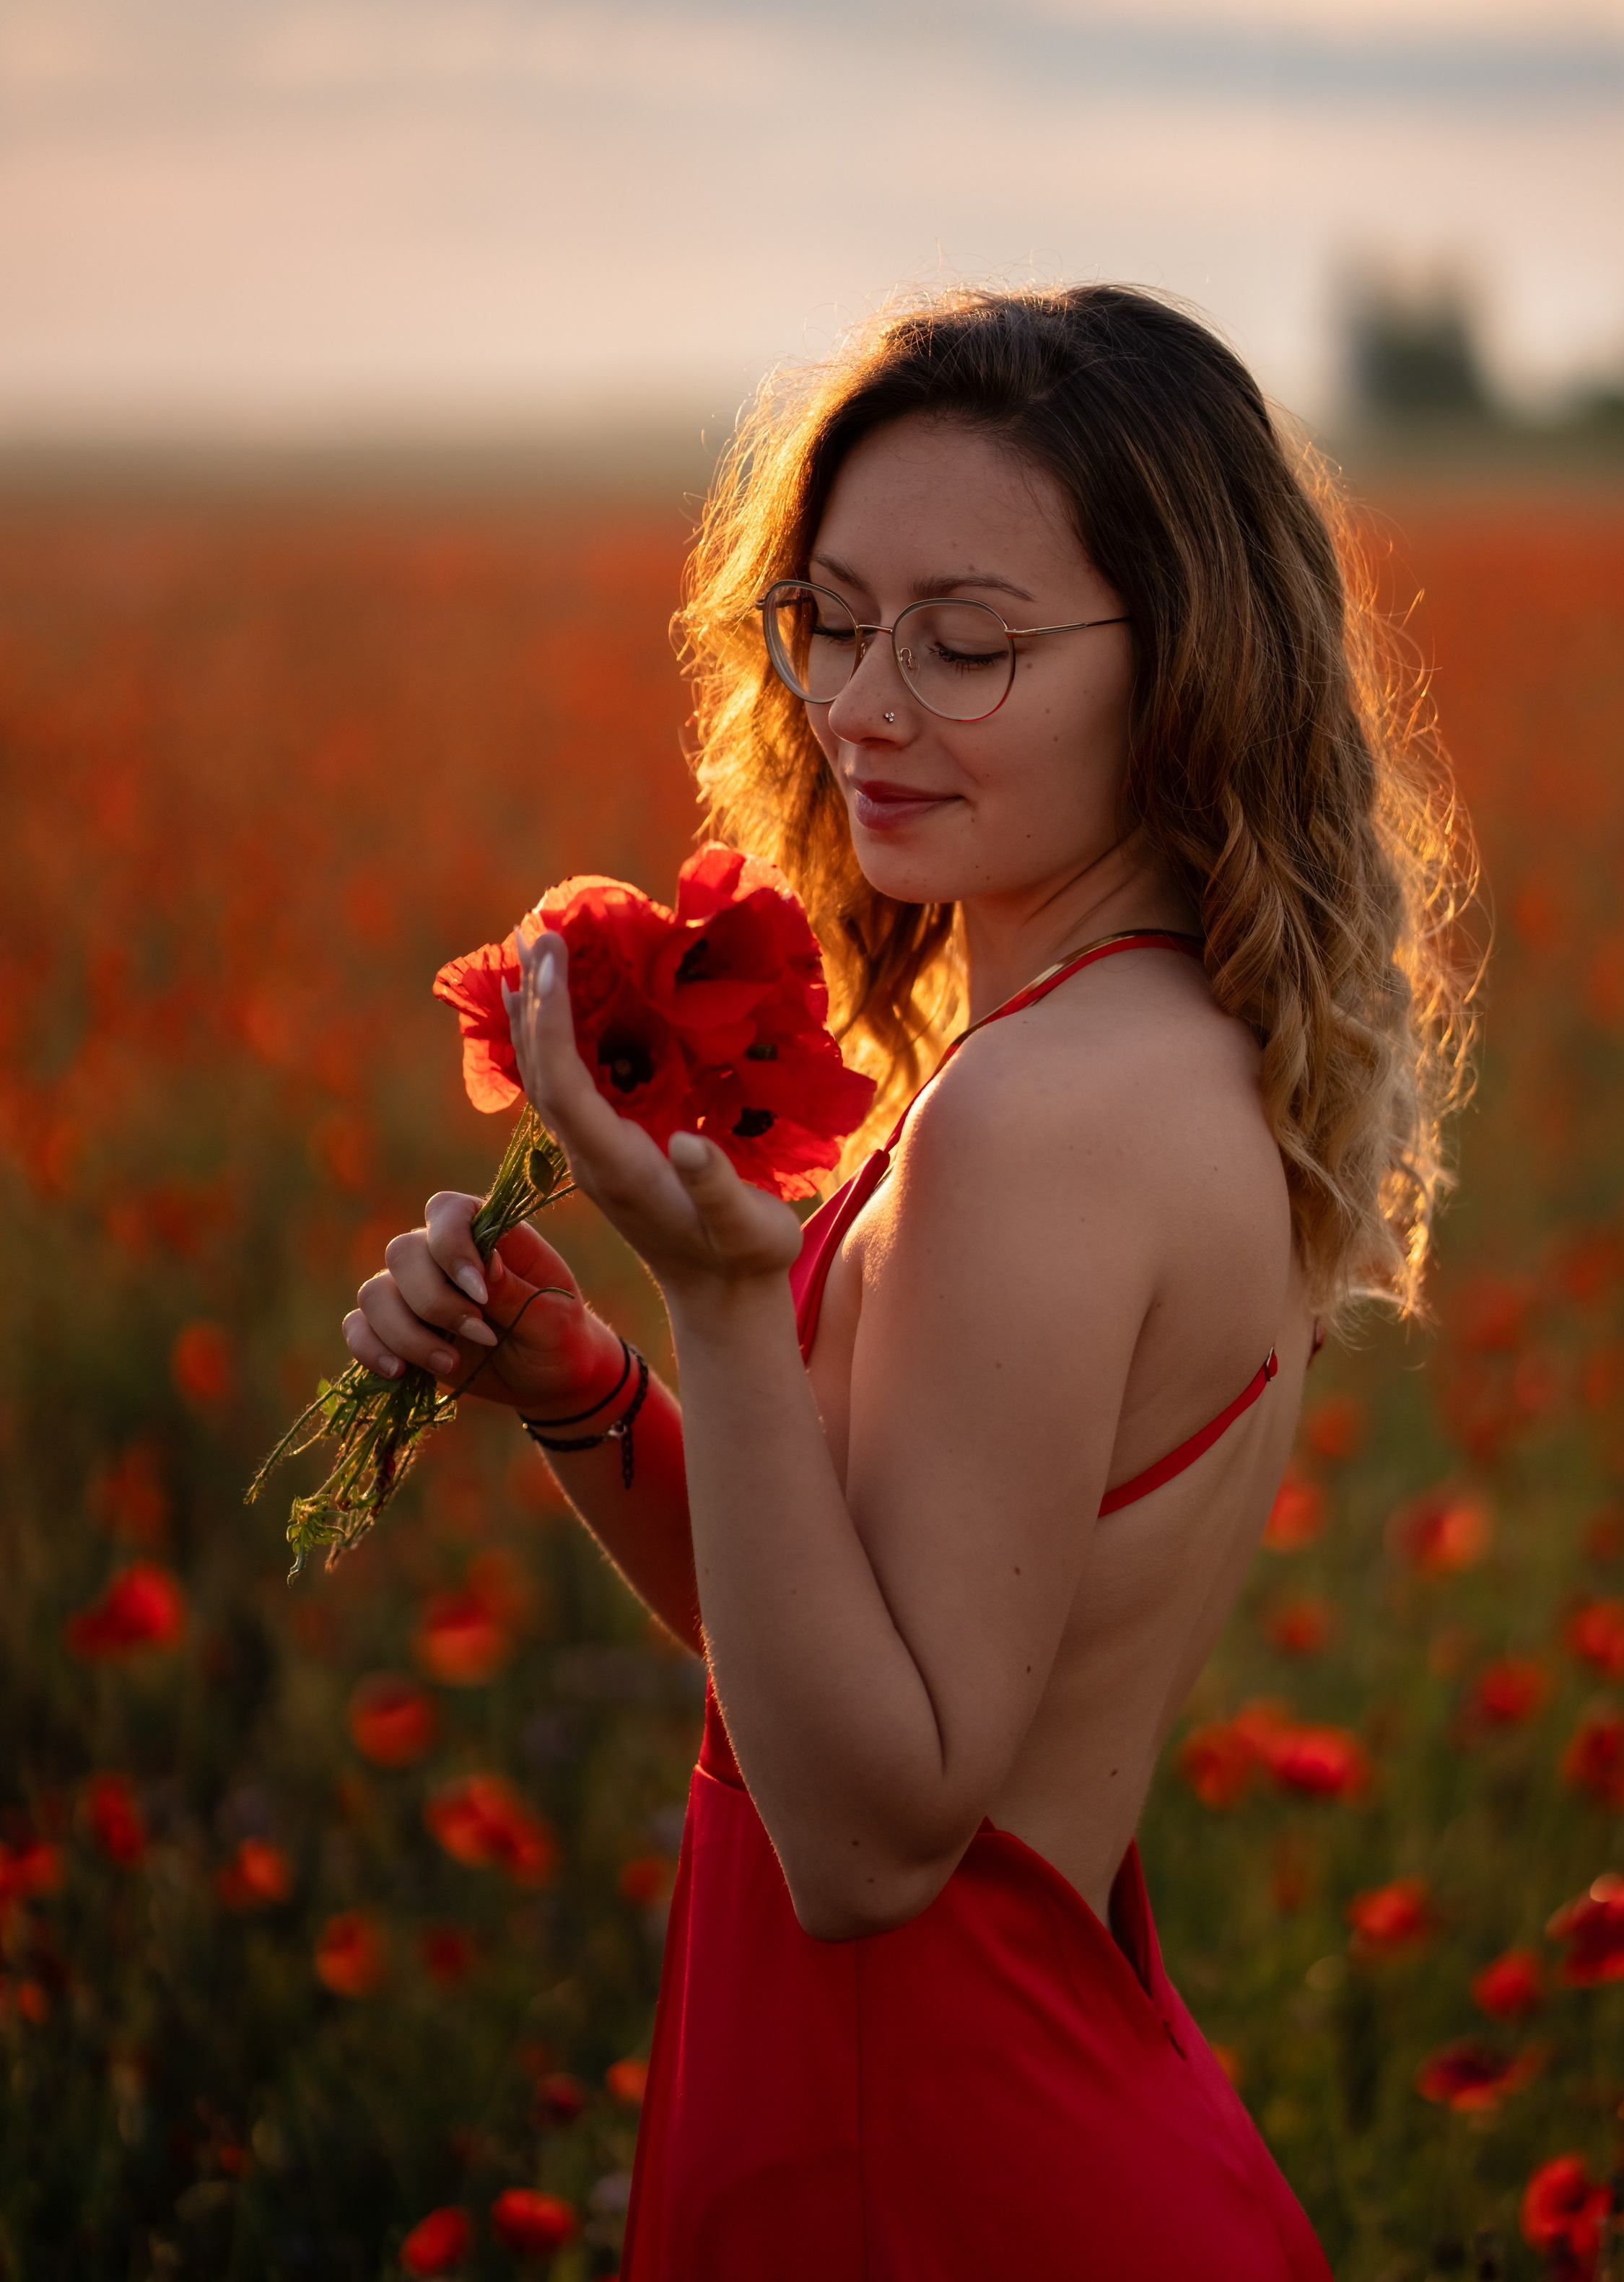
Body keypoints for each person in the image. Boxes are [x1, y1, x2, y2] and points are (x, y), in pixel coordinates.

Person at [344, 284, 1472, 2279]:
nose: (864, 704)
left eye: (965, 643)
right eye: (831, 619)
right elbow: (839, 1650)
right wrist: (594, 1387)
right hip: (1014, 2102)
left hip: (930, 2155)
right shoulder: (1164, 1049)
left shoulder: (1035, 1122)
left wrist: (715, 1294)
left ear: (1188, 670)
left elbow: (870, 1844)